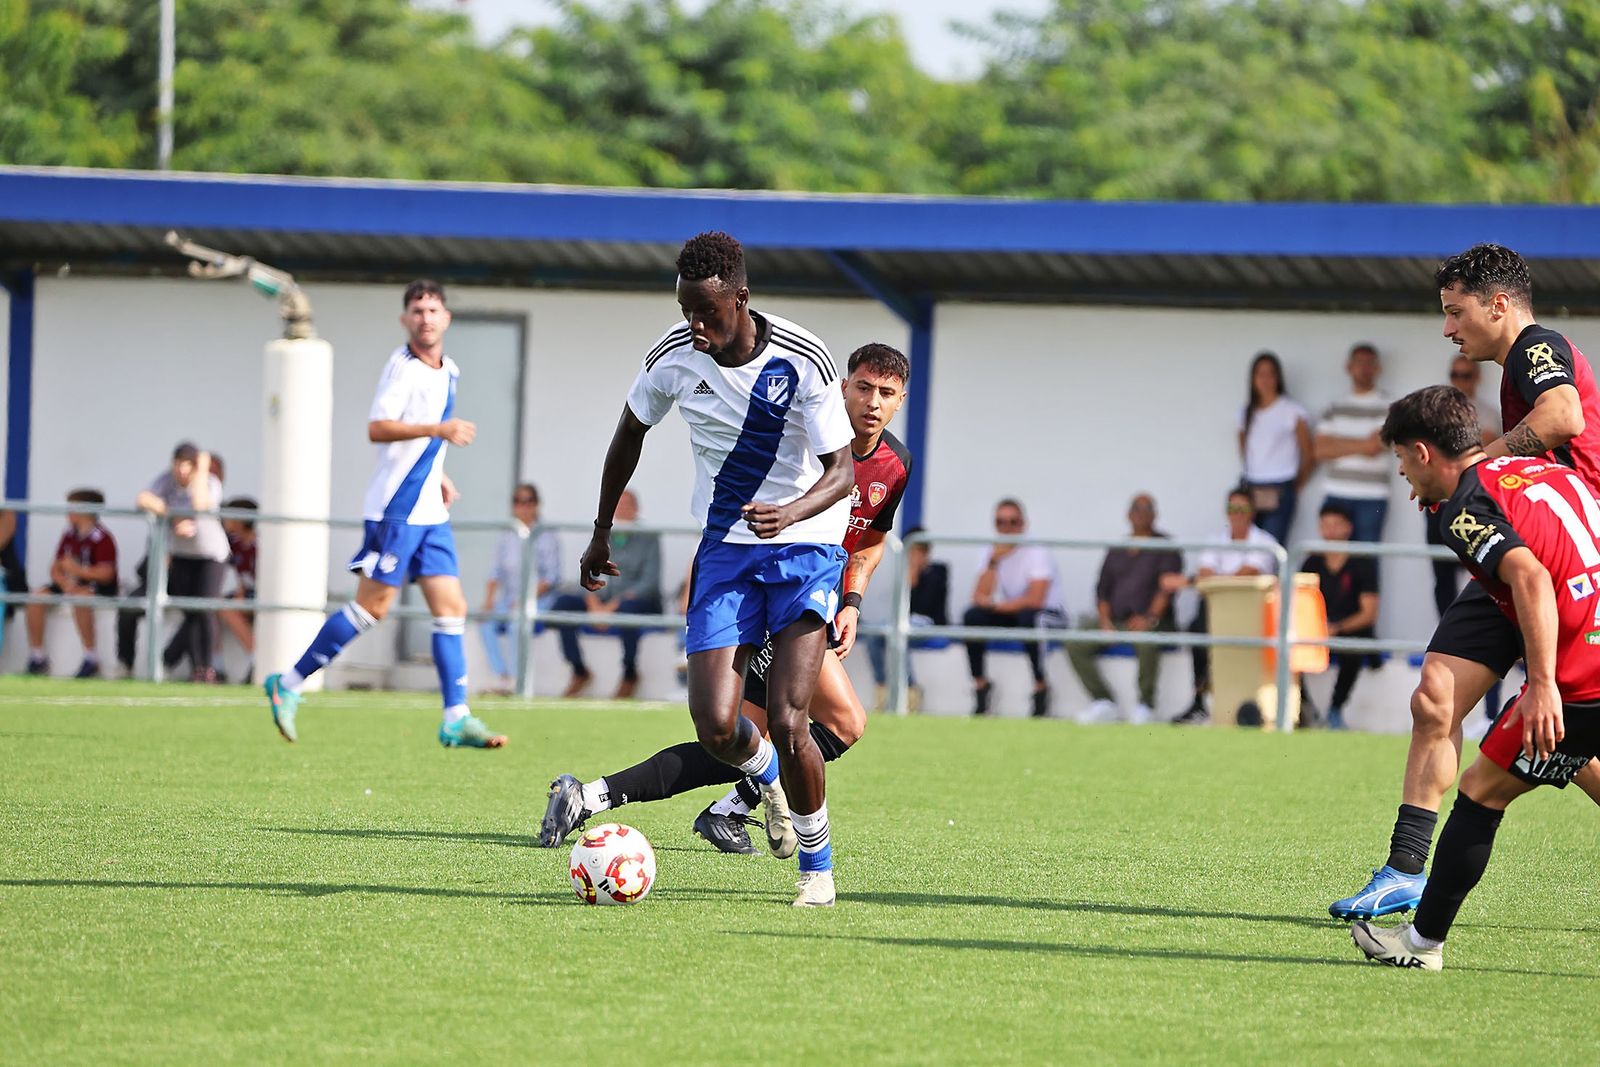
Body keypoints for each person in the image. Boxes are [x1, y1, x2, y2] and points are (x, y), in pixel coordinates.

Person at [553, 232, 854, 906]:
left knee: (789, 714)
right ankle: (767, 777)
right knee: (717, 726)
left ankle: (816, 867)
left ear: (740, 300)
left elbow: (843, 473)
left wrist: (793, 509)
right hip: (724, 551)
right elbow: (628, 433)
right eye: (687, 310)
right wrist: (601, 532)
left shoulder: (803, 358)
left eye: (708, 313)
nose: (696, 326)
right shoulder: (672, 355)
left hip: (806, 549)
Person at [538, 342, 914, 859]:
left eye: (886, 393)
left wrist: (851, 600)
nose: (872, 401)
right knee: (840, 722)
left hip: (813, 593)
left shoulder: (896, 464)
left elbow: (870, 538)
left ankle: (593, 796)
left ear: (900, 401)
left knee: (739, 741)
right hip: (770, 591)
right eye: (864, 387)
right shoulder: (801, 436)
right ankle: (753, 820)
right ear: (842, 387)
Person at [1330, 243, 1600, 922]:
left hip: (1569, 571)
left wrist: (1477, 462)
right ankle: (1403, 869)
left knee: (1561, 741)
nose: (1449, 328)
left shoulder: (1537, 347)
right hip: (1521, 559)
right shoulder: (1517, 366)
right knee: (1435, 699)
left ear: (1499, 305)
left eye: (1456, 312)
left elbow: (1563, 416)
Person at [1350, 386, 1600, 970]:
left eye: (1402, 463)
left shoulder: (1466, 508)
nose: (1405, 478)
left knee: (1480, 794)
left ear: (1422, 451)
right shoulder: (1535, 470)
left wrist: (1542, 685)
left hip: (1582, 675)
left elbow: (1532, 580)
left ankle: (1420, 946)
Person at [261, 279, 506, 749]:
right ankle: (288, 683)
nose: (426, 318)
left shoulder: (449, 370)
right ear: (405, 320)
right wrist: (438, 429)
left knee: (451, 607)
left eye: (433, 309)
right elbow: (377, 428)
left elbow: (426, 445)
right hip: (396, 510)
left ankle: (456, 716)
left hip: (429, 510)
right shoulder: (402, 368)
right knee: (372, 607)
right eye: (417, 310)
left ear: (446, 318)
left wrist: (439, 473)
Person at [1066, 494, 1182, 726]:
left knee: (1148, 640)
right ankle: (1103, 702)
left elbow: (1167, 589)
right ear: (1128, 514)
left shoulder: (1165, 546)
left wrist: (1149, 618)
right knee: (1075, 640)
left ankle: (1145, 706)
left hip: (1153, 620)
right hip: (1116, 619)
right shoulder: (1118, 549)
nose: (1140, 512)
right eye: (1136, 508)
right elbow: (1102, 589)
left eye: (1146, 507)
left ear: (1155, 513)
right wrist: (1104, 619)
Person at [1171, 487, 1282, 725]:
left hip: (1252, 613)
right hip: (1216, 608)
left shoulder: (1265, 541)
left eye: (1242, 508)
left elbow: (1245, 575)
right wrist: (1210, 580)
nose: (1237, 514)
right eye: (1232, 508)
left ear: (1252, 511)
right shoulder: (1215, 540)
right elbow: (1205, 575)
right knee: (1197, 629)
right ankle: (1199, 702)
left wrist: (1210, 580)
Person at [550, 489, 663, 699]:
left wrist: (612, 607)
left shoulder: (649, 537)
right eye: (618, 505)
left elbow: (649, 583)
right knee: (564, 603)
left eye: (627, 505)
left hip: (636, 601)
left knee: (628, 610)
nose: (622, 510)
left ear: (636, 509)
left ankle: (629, 674)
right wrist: (593, 602)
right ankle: (579, 670)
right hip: (603, 599)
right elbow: (587, 571)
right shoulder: (602, 535)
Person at [962, 499, 1067, 718]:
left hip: (1049, 613)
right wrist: (993, 563)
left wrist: (997, 605)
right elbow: (978, 596)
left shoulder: (1036, 551)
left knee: (1030, 619)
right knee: (972, 617)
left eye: (1013, 522)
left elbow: (1036, 599)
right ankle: (981, 686)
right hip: (1013, 609)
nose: (1007, 528)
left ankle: (1040, 687)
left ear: (1023, 525)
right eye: (1001, 522)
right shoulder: (991, 551)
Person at [136, 442, 229, 683]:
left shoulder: (209, 482)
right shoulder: (167, 480)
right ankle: (196, 668)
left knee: (205, 609)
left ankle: (208, 668)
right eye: (178, 464)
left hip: (211, 555)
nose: (182, 471)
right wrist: (172, 514)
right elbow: (144, 498)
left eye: (189, 465)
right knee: (189, 612)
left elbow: (200, 504)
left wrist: (203, 469)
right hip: (182, 554)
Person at [1424, 355, 1501, 618]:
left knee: (1482, 570)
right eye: (1455, 375)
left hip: (1474, 500)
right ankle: (1447, 635)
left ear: (1477, 377)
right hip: (1441, 502)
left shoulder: (1488, 411)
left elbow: (1485, 449)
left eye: (1465, 375)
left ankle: (1481, 637)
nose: (1459, 381)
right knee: (1442, 573)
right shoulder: (1435, 411)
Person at [22, 489, 118, 678]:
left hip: (95, 589)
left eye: (72, 508)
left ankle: (91, 658)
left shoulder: (103, 538)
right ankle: (37, 658)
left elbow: (106, 574)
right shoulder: (69, 534)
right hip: (71, 585)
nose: (68, 512)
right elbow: (56, 568)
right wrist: (66, 584)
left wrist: (78, 571)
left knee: (81, 599)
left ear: (86, 511)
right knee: (35, 598)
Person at [1300, 503, 1379, 730]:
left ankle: (1335, 709)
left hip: (1349, 630)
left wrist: (1336, 627)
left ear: (1348, 528)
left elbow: (1369, 613)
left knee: (1355, 646)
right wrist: (1319, 629)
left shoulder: (1362, 562)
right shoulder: (1312, 562)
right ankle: (1304, 709)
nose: (1331, 531)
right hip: (1317, 631)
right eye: (1325, 525)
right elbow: (1300, 604)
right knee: (1289, 648)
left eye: (1336, 524)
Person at [478, 482, 560, 695]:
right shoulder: (508, 534)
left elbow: (551, 577)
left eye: (528, 501)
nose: (523, 506)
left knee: (517, 624)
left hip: (538, 598)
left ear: (536, 505)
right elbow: (495, 572)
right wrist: (488, 601)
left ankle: (517, 680)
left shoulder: (546, 535)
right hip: (511, 598)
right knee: (485, 623)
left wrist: (526, 599)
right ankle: (501, 677)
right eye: (518, 501)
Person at [865, 526, 949, 711]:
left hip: (929, 623)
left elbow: (925, 605)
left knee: (901, 637)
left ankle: (910, 690)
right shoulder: (902, 571)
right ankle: (883, 687)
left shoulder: (939, 571)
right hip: (907, 621)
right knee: (875, 637)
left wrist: (914, 571)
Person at [1314, 343, 1391, 542]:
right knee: (1333, 559)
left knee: (1366, 560)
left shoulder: (1389, 406)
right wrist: (1363, 444)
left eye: (1369, 363)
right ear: (1349, 367)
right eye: (1359, 363)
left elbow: (1375, 446)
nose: (1364, 368)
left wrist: (1337, 444)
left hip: (1371, 495)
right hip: (1336, 491)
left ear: (1378, 368)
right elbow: (1321, 450)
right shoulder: (1334, 407)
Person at [1240, 351, 1313, 545]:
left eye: (1270, 374)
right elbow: (1244, 449)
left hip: (1280, 487)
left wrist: (1295, 484)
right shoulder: (1246, 412)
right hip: (1250, 486)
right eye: (1260, 374)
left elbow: (1308, 453)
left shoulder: (1292, 410)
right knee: (1247, 545)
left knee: (1272, 548)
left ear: (1278, 378)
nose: (1265, 380)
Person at [215, 496, 258, 682]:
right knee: (212, 606)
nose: (226, 520)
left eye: (231, 517)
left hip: (261, 596)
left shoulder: (261, 545)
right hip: (246, 594)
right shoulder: (234, 543)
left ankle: (257, 660)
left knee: (227, 609)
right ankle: (216, 667)